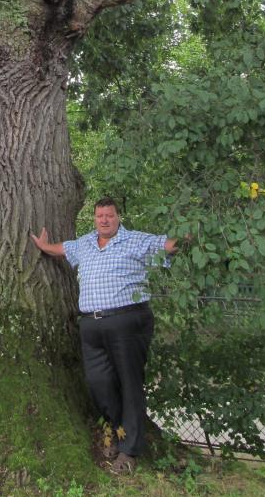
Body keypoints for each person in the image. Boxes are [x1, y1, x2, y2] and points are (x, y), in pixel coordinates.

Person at [31, 197, 180, 474]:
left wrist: (193, 231)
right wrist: (43, 246)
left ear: (118, 217)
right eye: (100, 216)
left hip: (127, 321)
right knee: (98, 382)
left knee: (129, 384)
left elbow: (168, 245)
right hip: (92, 325)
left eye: (109, 215)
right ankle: (116, 429)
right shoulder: (86, 243)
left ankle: (129, 451)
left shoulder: (135, 240)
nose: (104, 220)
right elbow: (62, 249)